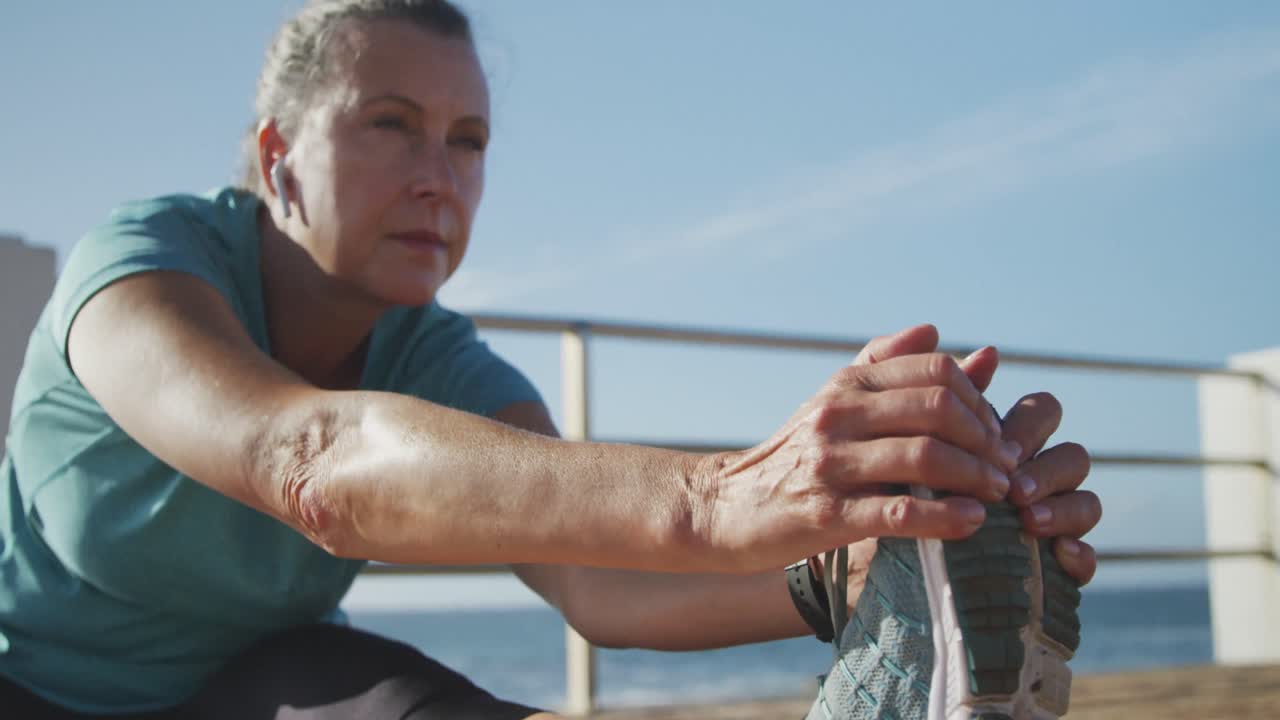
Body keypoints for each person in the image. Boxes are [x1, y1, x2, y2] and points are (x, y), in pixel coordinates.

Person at [0, 1, 1101, 718]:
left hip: (259, 689)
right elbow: (308, 459)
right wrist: (724, 492)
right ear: (280, 156)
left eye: (467, 140)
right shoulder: (143, 270)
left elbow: (596, 575)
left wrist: (877, 552)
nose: (440, 175)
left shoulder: (433, 357)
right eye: (391, 123)